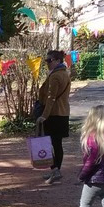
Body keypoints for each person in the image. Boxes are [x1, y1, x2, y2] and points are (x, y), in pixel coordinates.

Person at [35, 49, 71, 184]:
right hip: (63, 112)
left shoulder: (55, 76)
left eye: (49, 60)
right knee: (57, 143)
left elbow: (51, 98)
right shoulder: (65, 73)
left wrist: (44, 116)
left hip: (53, 113)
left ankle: (55, 169)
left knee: (48, 143)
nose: (47, 63)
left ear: (57, 61)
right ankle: (56, 170)